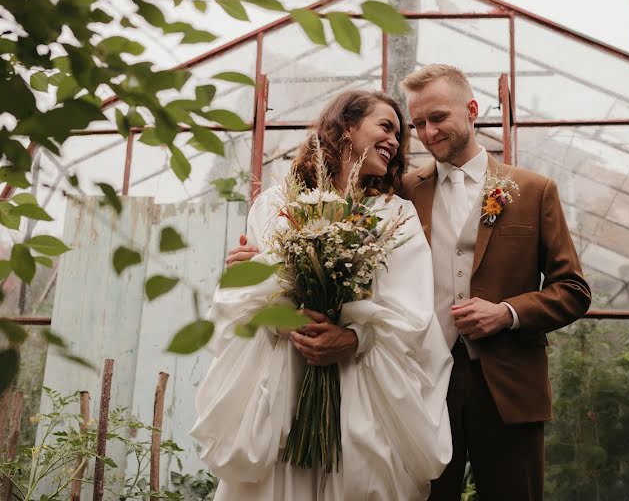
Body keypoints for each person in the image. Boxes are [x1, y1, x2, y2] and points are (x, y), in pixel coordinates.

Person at [190, 90, 452, 500]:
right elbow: (248, 302)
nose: (395, 141)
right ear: (346, 127)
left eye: (400, 135)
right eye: (385, 126)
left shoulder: (396, 215)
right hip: (284, 375)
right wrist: (250, 277)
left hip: (362, 382)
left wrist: (352, 338)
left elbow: (412, 312)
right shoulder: (276, 204)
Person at [400, 64, 592, 501]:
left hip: (509, 385)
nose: (428, 133)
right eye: (418, 124)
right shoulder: (405, 191)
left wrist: (506, 313)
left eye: (438, 118)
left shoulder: (534, 190)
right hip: (425, 382)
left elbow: (573, 291)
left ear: (472, 110)